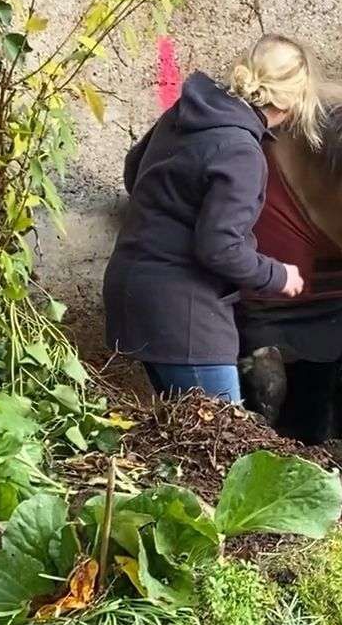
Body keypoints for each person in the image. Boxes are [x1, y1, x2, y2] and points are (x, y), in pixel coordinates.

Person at [103, 35, 321, 401]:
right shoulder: (240, 149)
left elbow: (133, 171)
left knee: (185, 442)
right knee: (224, 449)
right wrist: (279, 275)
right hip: (185, 320)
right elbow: (219, 248)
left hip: (131, 291)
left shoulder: (187, 113)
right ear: (294, 101)